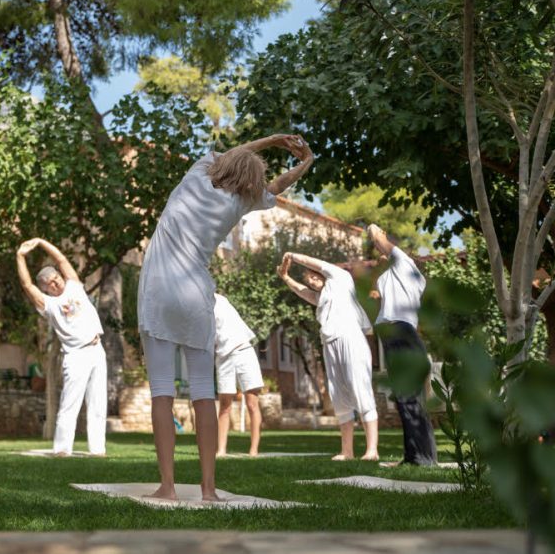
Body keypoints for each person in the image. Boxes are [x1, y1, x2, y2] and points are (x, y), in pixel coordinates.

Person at [138, 133, 314, 501]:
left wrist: (274, 141)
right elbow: (277, 186)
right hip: (197, 295)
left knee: (162, 392)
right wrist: (305, 163)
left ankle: (168, 487)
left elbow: (238, 152)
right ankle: (208, 489)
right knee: (204, 391)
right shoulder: (241, 202)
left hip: (158, 289)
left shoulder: (197, 174)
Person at [279, 252, 379, 461]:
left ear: (321, 273)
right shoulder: (322, 297)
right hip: (330, 344)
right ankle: (347, 451)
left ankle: (372, 450)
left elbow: (314, 262)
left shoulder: (340, 278)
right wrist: (286, 277)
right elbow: (303, 292)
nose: (311, 282)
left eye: (313, 277)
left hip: (350, 338)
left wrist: (293, 256)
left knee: (360, 389)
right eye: (309, 280)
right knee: (339, 394)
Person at [16, 238, 107, 457]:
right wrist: (20, 256)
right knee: (70, 404)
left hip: (97, 348)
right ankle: (62, 449)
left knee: (98, 403)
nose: (56, 284)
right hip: (75, 355)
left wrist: (41, 242)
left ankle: (98, 450)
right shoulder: (48, 304)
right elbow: (27, 285)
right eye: (50, 284)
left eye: (56, 278)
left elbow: (61, 259)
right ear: (45, 289)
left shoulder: (74, 285)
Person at [368, 223, 438, 466]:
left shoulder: (405, 264)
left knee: (409, 398)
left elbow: (377, 237)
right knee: (404, 398)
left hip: (401, 333)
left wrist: (377, 233)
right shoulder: (391, 277)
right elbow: (378, 288)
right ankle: (413, 456)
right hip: (393, 334)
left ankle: (424, 458)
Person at [213, 293, 263, 457]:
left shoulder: (220, 300)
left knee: (252, 403)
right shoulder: (197, 310)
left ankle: (253, 450)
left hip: (244, 351)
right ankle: (221, 450)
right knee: (224, 406)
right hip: (223, 358)